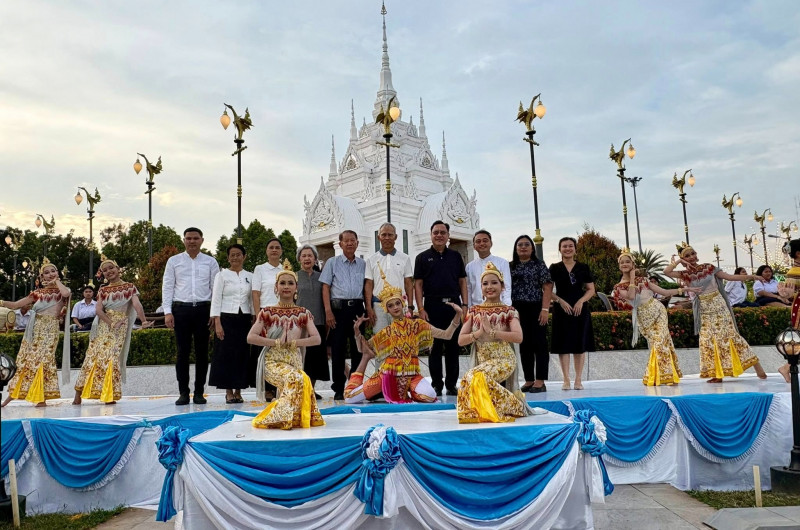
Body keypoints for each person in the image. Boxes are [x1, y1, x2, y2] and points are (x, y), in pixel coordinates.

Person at [344, 271, 462, 404]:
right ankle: (376, 388)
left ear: (402, 304)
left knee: (429, 396)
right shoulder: (386, 332)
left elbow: (447, 335)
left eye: (397, 303)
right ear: (387, 309)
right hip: (388, 376)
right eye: (390, 305)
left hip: (412, 375)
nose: (395, 307)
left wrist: (458, 315)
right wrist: (357, 333)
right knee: (350, 398)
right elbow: (362, 349)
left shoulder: (418, 325)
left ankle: (406, 392)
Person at [664, 244, 768, 382]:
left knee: (729, 336)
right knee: (707, 340)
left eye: (693, 253)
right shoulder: (685, 274)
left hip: (718, 305)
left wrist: (752, 276)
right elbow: (666, 272)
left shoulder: (709, 267)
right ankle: (717, 374)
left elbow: (729, 277)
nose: (691, 257)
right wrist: (678, 261)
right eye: (687, 256)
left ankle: (757, 367)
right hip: (703, 308)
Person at [248, 259, 324, 429]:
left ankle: (289, 416)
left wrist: (294, 342)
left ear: (296, 288)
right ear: (276, 287)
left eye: (290, 283)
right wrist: (274, 342)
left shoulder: (303, 313)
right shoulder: (267, 312)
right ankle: (274, 417)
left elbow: (316, 339)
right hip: (272, 361)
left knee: (300, 380)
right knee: (295, 378)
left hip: (294, 360)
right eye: (282, 283)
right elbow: (251, 337)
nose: (286, 286)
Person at [457, 262, 532, 423]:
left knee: (476, 376)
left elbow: (519, 337)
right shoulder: (474, 311)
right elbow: (461, 340)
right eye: (485, 284)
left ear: (502, 286)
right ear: (481, 287)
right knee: (469, 378)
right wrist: (478, 333)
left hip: (504, 359)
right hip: (484, 361)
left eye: (494, 283)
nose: (489, 287)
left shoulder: (509, 311)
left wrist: (493, 332)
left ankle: (516, 406)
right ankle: (477, 412)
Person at [73, 259, 152, 404]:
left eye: (111, 268)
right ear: (103, 274)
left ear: (118, 268)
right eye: (105, 270)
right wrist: (111, 323)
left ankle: (108, 394)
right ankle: (78, 393)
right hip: (105, 324)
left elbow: (137, 305)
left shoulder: (129, 287)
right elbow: (98, 310)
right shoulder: (103, 290)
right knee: (93, 356)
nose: (109, 271)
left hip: (120, 326)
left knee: (112, 358)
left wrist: (144, 320)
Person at [616, 250, 699, 386]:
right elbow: (631, 296)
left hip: (658, 311)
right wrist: (632, 278)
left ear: (633, 264)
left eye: (627, 262)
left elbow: (664, 292)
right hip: (643, 317)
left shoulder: (643, 280)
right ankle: (655, 375)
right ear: (619, 266)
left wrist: (684, 290)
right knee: (658, 343)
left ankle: (667, 376)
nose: (625, 264)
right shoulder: (619, 287)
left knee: (662, 341)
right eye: (622, 262)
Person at [1, 259, 71, 407]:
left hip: (50, 329)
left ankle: (41, 398)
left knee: (44, 361)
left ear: (57, 273)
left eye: (53, 271)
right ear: (41, 276)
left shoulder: (62, 291)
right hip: (35, 330)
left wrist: (57, 281)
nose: (50, 274)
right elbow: (15, 305)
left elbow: (66, 293)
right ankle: (12, 397)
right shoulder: (37, 293)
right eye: (46, 273)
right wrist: (1, 302)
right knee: (27, 361)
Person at [162, 227, 220, 405]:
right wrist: (167, 312)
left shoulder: (210, 262)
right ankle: (183, 392)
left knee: (202, 353)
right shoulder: (174, 261)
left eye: (195, 238)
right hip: (181, 310)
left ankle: (199, 392)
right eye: (188, 238)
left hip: (203, 310)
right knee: (182, 353)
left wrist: (214, 313)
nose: (192, 241)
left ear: (202, 240)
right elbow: (167, 286)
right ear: (184, 240)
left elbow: (216, 289)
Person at [414, 220, 467, 396]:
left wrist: (464, 305)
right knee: (434, 348)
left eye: (442, 232)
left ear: (448, 235)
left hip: (453, 305)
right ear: (431, 235)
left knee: (453, 347)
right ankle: (436, 384)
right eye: (435, 232)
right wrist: (421, 308)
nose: (439, 235)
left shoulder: (455, 256)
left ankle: (451, 385)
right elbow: (418, 284)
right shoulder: (422, 257)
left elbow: (462, 281)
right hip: (432, 306)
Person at [320, 230, 366, 401]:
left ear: (357, 243)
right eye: (346, 241)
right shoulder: (332, 262)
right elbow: (325, 287)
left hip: (357, 310)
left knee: (358, 350)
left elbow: (367, 287)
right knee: (338, 350)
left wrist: (368, 310)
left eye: (352, 240)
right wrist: (328, 311)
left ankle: (355, 385)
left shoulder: (363, 264)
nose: (349, 243)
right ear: (340, 244)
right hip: (338, 310)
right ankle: (338, 387)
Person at [549, 237, 596, 390]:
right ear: (560, 249)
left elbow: (591, 289)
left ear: (575, 249)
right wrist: (560, 301)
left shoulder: (583, 267)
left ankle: (578, 380)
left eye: (570, 246)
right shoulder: (554, 268)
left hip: (579, 310)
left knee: (579, 344)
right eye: (564, 246)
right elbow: (547, 290)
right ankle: (566, 379)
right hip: (561, 310)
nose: (567, 249)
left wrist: (581, 301)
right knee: (563, 345)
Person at [209, 244, 253, 404]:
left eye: (238, 254)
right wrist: (217, 322)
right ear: (228, 258)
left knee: (242, 354)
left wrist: (255, 317)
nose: (235, 257)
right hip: (226, 318)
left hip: (244, 318)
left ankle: (239, 390)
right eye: (232, 255)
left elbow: (251, 299)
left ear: (244, 257)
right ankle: (228, 391)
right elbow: (216, 299)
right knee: (225, 355)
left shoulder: (250, 276)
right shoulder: (221, 275)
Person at [510, 235, 553, 393]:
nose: (523, 247)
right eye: (520, 244)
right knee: (524, 344)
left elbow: (547, 287)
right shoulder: (510, 266)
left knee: (539, 343)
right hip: (517, 309)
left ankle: (540, 381)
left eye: (526, 244)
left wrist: (545, 309)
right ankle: (529, 380)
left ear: (532, 248)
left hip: (536, 307)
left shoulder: (539, 264)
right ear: (515, 248)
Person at [364, 223, 414, 334]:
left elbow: (408, 283)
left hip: (399, 306)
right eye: (384, 235)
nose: (387, 238)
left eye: (390, 235)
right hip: (378, 306)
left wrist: (410, 306)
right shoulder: (371, 260)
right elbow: (368, 284)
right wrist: (369, 308)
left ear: (395, 237)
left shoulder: (405, 258)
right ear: (379, 237)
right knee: (381, 339)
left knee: (401, 338)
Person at [251, 238, 285, 397]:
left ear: (281, 251)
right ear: (266, 251)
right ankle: (267, 389)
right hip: (266, 315)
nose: (274, 250)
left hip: (283, 315)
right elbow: (255, 294)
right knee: (265, 353)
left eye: (277, 247)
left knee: (280, 352)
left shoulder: (285, 268)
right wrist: (259, 316)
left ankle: (280, 386)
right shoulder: (260, 269)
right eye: (271, 247)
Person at [296, 244, 330, 398]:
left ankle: (311, 390)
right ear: (299, 259)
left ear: (315, 259)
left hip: (318, 321)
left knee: (315, 358)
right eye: (304, 256)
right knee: (300, 357)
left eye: (310, 255)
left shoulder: (322, 278)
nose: (307, 258)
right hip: (299, 324)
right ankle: (299, 390)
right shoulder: (294, 277)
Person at [465, 230, 512, 307]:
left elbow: (507, 287)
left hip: (498, 307)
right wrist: (469, 308)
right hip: (476, 308)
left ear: (491, 243)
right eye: (478, 241)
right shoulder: (469, 266)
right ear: (474, 246)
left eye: (485, 240)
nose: (482, 243)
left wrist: (506, 307)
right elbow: (468, 289)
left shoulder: (502, 262)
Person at [778, 238, 800, 383]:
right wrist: (785, 294)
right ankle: (787, 367)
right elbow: (789, 295)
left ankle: (786, 367)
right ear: (798, 253)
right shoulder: (794, 272)